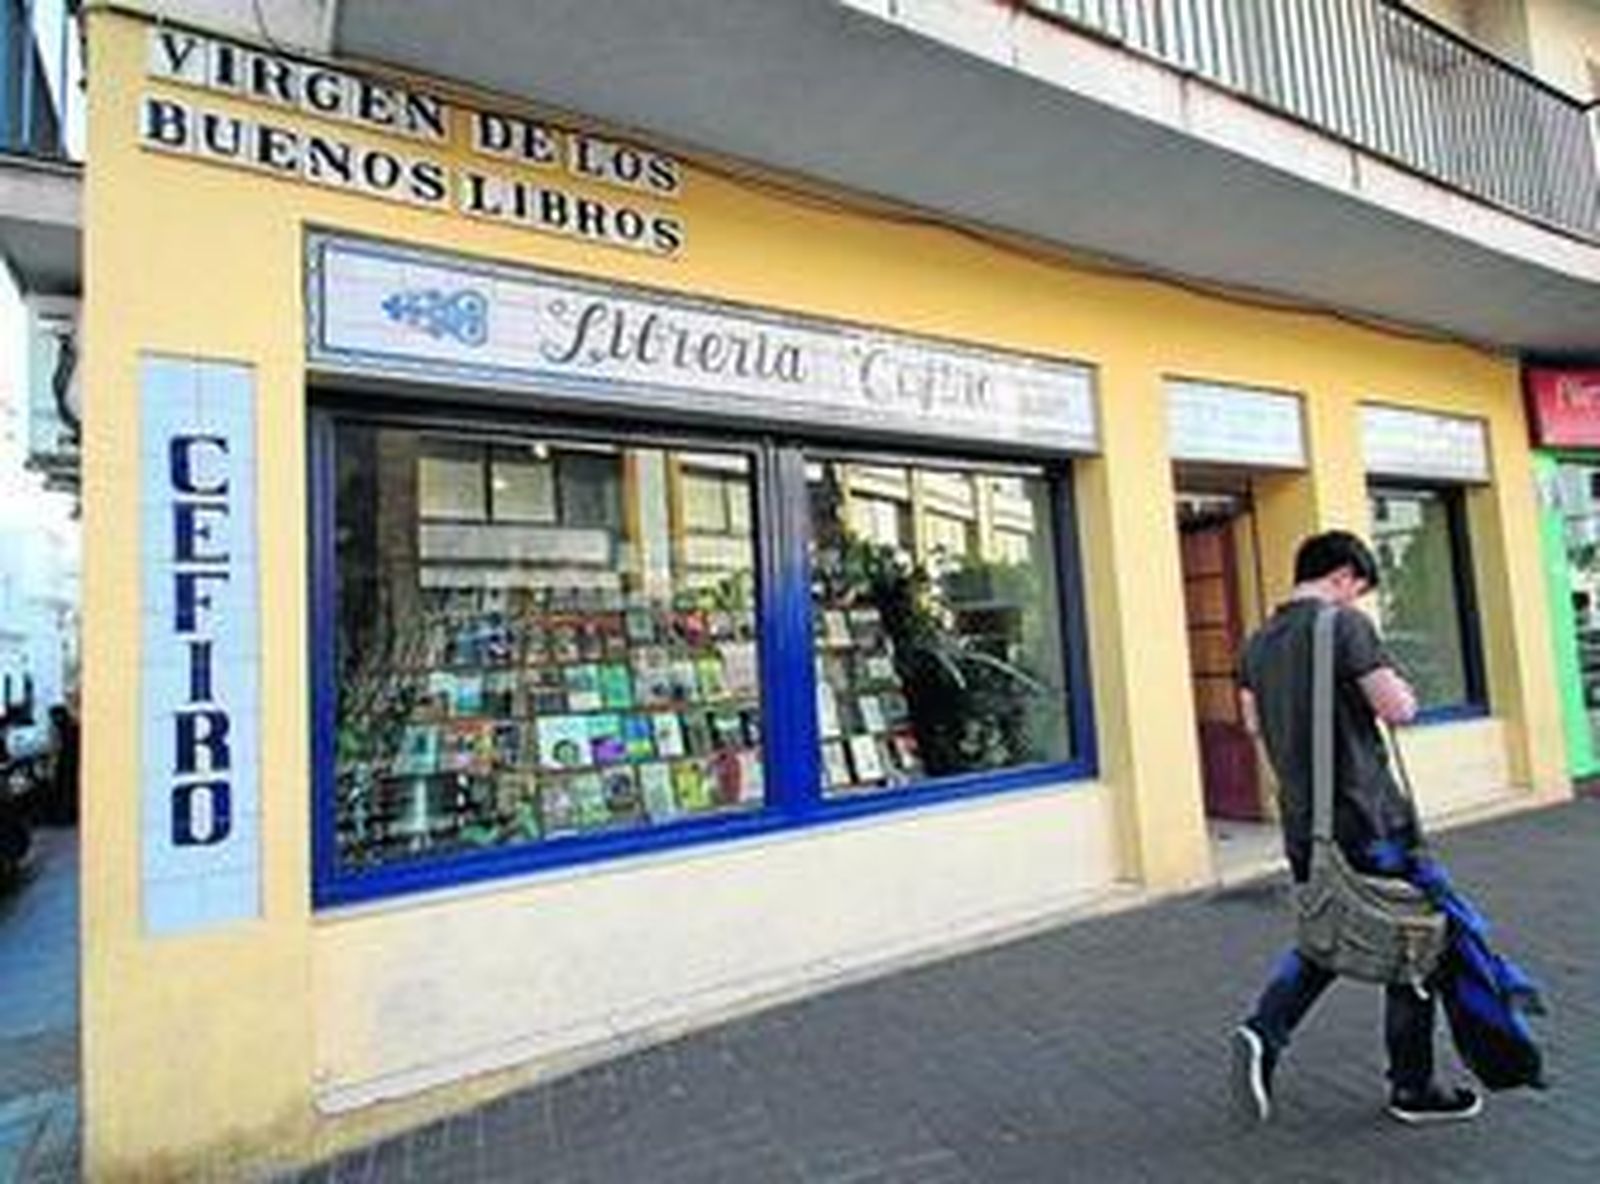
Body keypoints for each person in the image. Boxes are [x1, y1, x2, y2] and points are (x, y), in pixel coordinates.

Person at [1229, 530, 1481, 1126]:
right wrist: (1403, 692)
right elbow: (1397, 708)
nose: (1356, 601)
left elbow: (1252, 723)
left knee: (1330, 930)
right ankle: (1413, 1087)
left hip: (1306, 825)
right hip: (1369, 816)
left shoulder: (1258, 643)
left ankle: (1264, 1031)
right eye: (1358, 589)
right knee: (1413, 941)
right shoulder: (1343, 626)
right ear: (1343, 576)